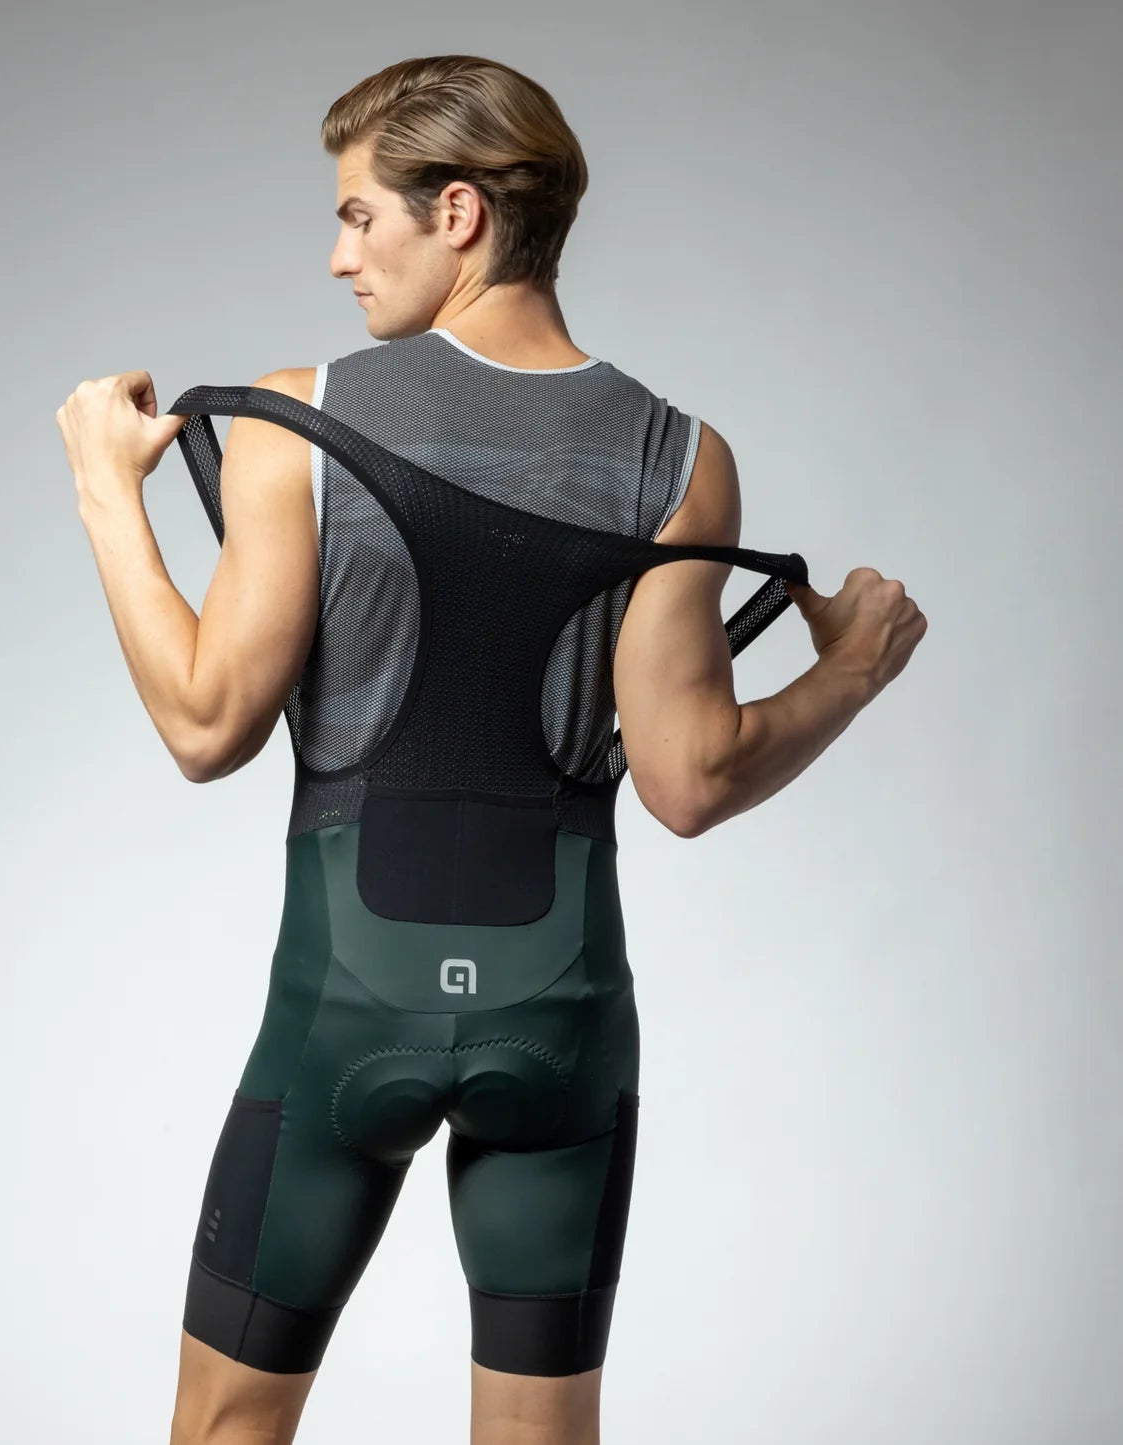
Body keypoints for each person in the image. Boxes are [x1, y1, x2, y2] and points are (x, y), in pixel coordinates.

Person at [57, 54, 926, 1445]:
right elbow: (689, 779)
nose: (339, 256)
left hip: (345, 1008)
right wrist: (852, 669)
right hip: (560, 1016)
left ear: (456, 213)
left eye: (358, 215)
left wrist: (109, 493)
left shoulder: (301, 424)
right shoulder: (676, 456)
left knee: (227, 1429)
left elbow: (206, 724)